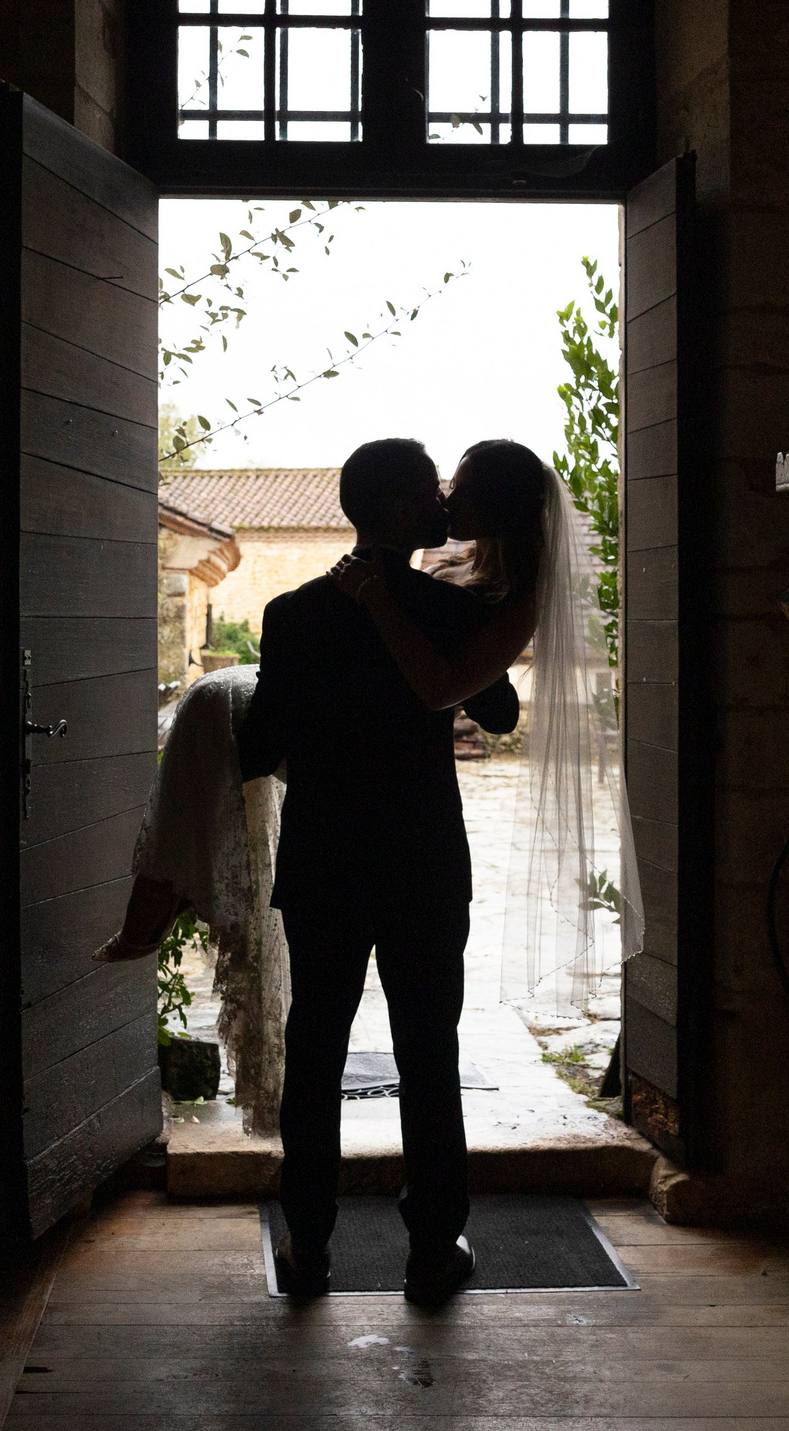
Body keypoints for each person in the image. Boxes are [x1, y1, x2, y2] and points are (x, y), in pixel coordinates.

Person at [238, 438, 521, 1304]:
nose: (441, 499)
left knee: (316, 1049)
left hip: (323, 857)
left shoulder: (291, 613)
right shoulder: (442, 609)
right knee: (429, 1052)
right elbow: (501, 712)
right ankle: (433, 1247)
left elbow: (258, 747)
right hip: (423, 861)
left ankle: (308, 1247)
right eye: (427, 486)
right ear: (399, 511)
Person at [332, 439, 639, 1015]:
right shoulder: (451, 574)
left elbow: (449, 692)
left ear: (497, 507)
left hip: (410, 826)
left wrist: (379, 600)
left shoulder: (517, 596)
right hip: (402, 821)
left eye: (464, 491)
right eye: (448, 484)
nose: (448, 498)